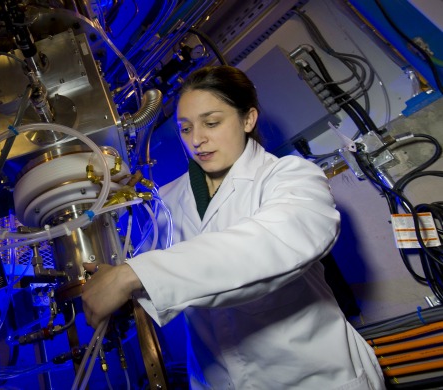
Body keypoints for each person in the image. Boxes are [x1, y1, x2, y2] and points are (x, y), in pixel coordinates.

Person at [81, 65, 385, 389]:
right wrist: (117, 281)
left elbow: (277, 242)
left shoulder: (290, 176)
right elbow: (158, 280)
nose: (197, 139)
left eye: (212, 123)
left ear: (248, 119)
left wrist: (132, 274)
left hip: (312, 378)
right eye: (185, 129)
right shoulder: (169, 199)